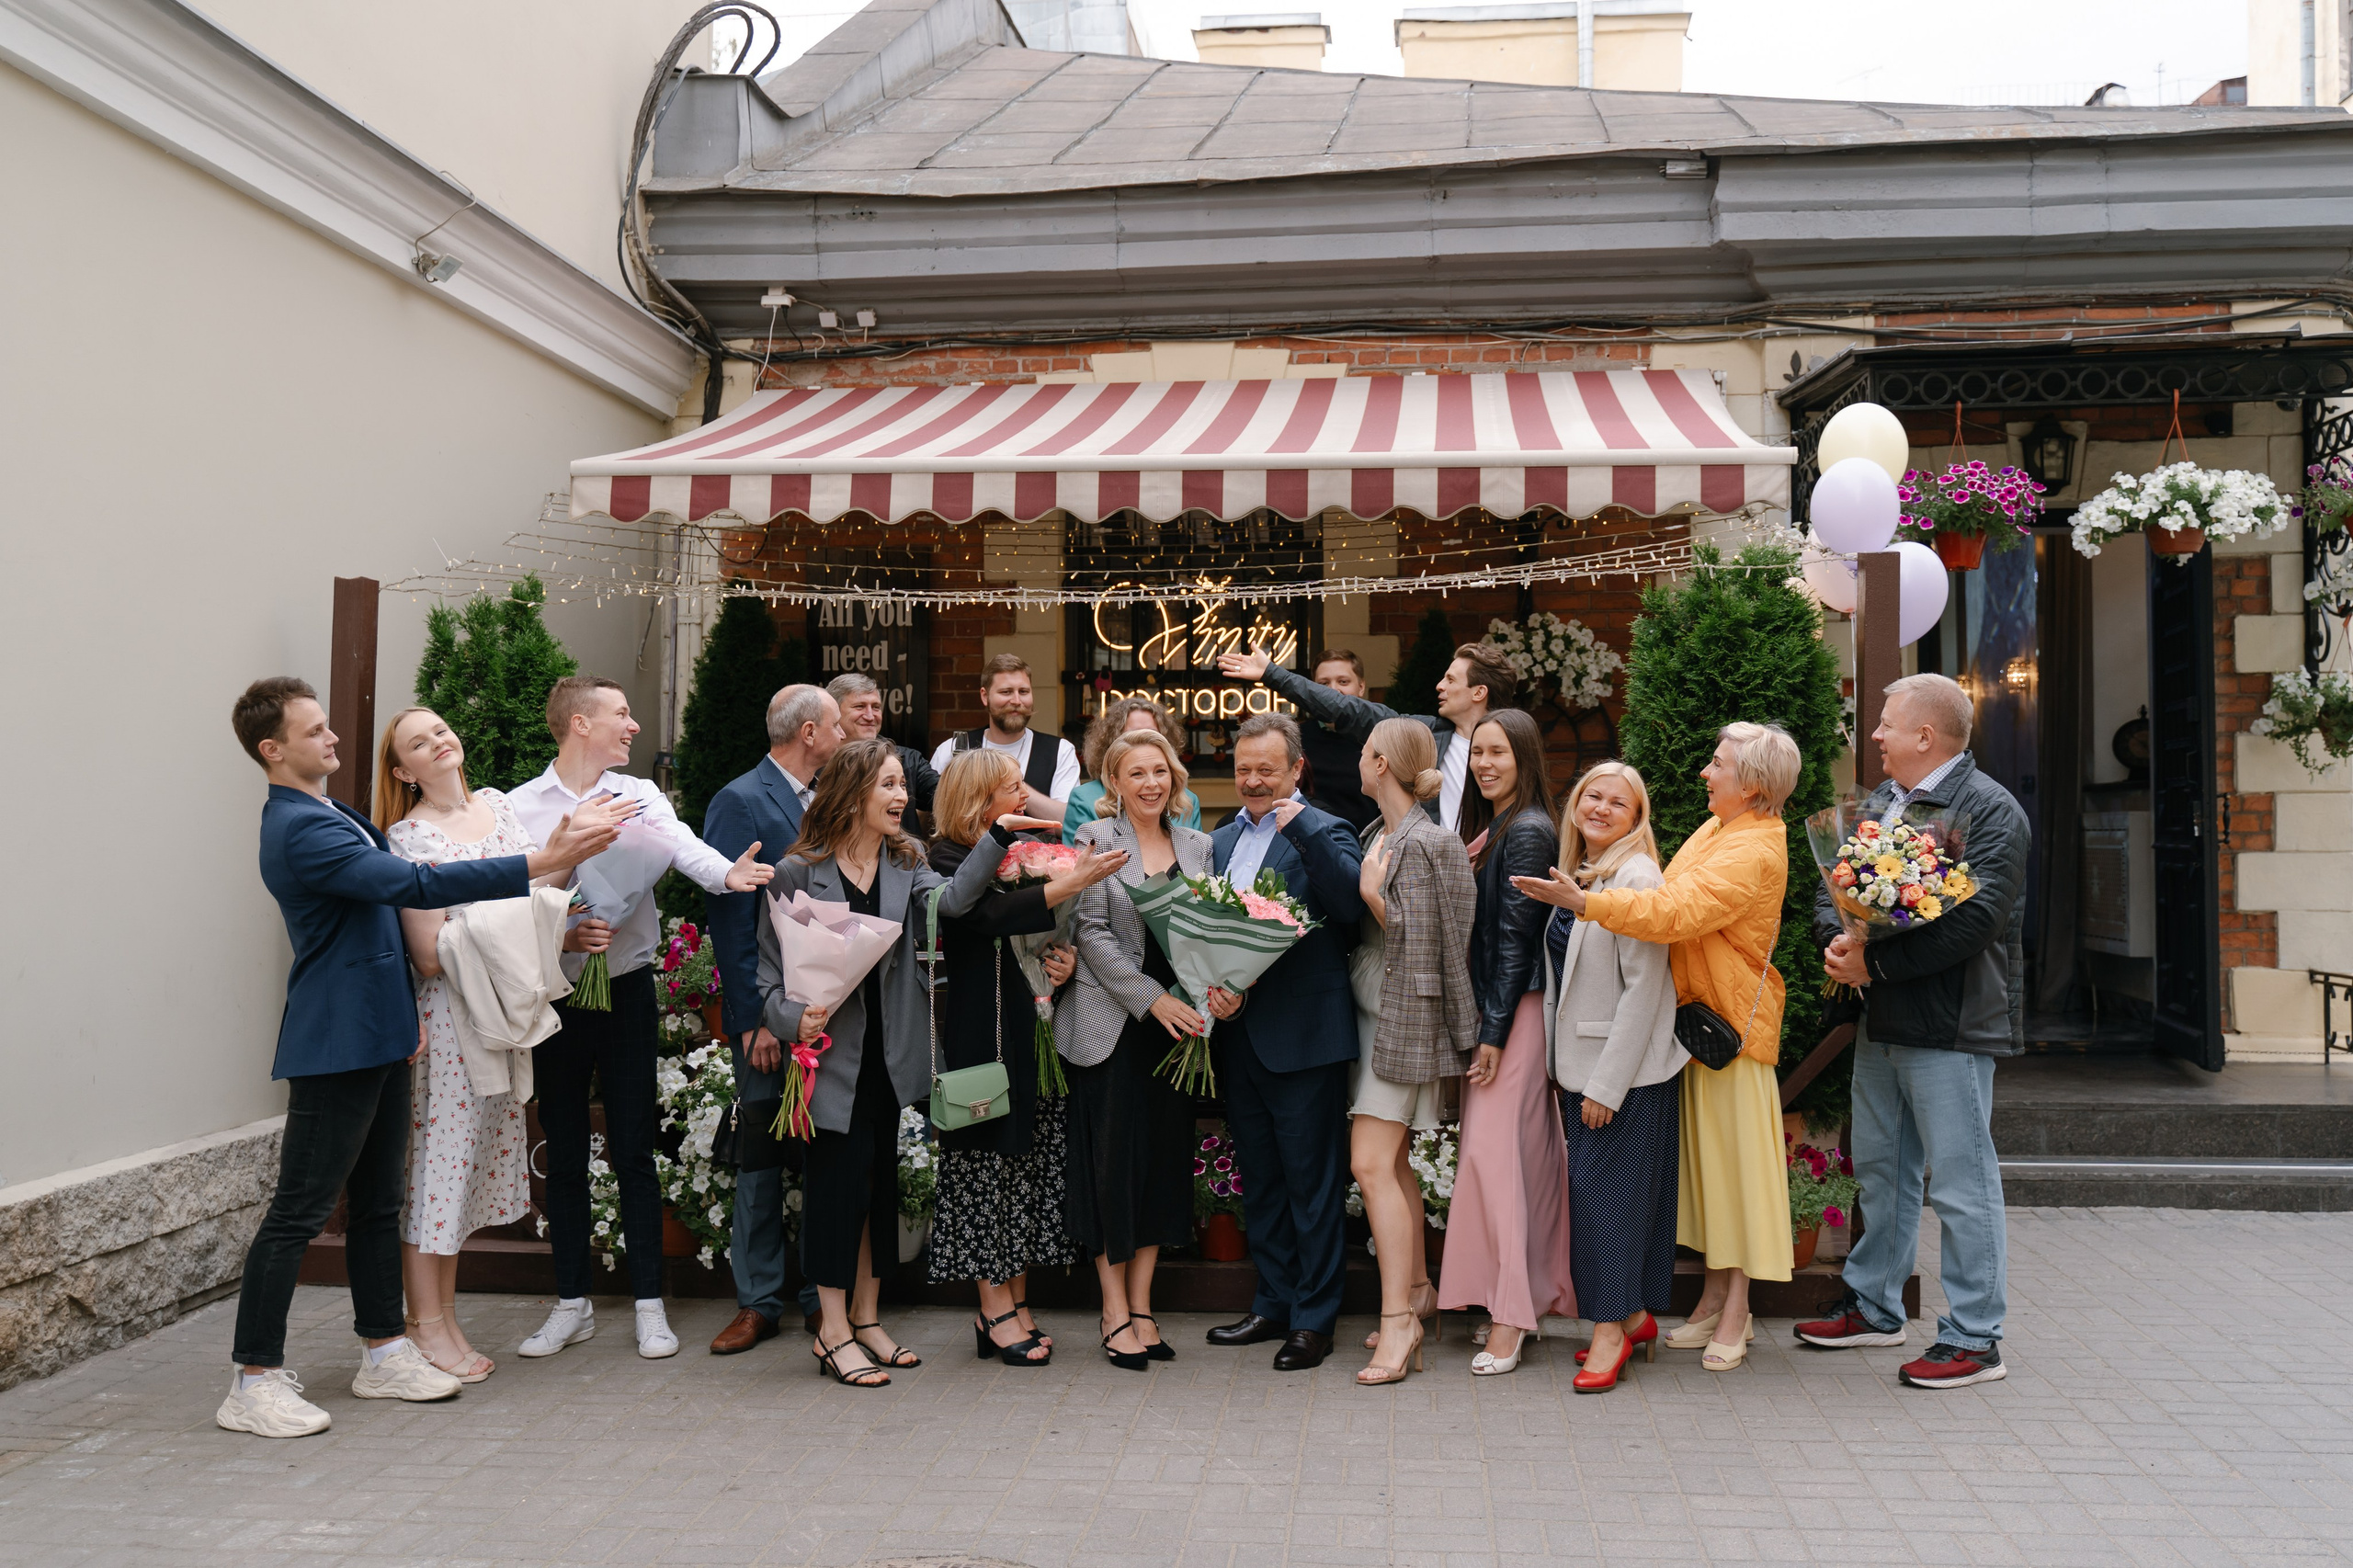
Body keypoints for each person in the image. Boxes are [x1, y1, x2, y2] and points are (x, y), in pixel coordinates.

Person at [220, 678, 627, 1439]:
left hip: (381, 1032)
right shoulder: (302, 828)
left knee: (380, 1205)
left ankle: (384, 1350)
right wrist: (541, 861)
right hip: (334, 1039)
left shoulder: (330, 811)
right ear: (273, 750)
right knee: (298, 1213)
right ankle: (253, 1378)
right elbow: (411, 883)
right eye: (315, 732)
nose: (334, 739)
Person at [759, 739, 1046, 1386]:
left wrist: (996, 837)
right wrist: (789, 1018)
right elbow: (766, 975)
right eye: (888, 786)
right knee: (835, 1191)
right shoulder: (797, 871)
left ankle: (866, 1319)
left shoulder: (907, 860)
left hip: (892, 1056)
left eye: (901, 786)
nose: (901, 798)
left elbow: (953, 903)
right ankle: (831, 1332)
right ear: (853, 793)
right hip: (829, 1058)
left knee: (876, 1190)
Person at [507, 676, 776, 1362]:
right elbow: (509, 898)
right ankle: (572, 1304)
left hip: (626, 988)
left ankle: (650, 1307)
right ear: (577, 723)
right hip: (555, 997)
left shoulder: (641, 795)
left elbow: (683, 847)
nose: (633, 726)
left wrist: (727, 876)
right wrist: (563, 925)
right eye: (621, 715)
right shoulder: (518, 806)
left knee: (633, 1146)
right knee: (563, 1152)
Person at [1796, 674, 2029, 1391]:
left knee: (1961, 1184)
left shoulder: (1991, 811)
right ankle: (1875, 1307)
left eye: (1887, 724)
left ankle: (1975, 1336)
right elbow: (1831, 883)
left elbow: (1973, 921)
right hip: (1884, 1018)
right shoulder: (1883, 802)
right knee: (1881, 1171)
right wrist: (1836, 943)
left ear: (1925, 736)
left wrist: (1874, 967)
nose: (1875, 735)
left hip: (1951, 1025)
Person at [1547, 721, 1799, 1372]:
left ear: (1753, 785)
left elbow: (1674, 913)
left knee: (1738, 1175)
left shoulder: (1754, 848)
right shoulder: (1721, 828)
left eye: (1717, 765)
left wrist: (1589, 904)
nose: (1704, 773)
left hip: (1731, 1035)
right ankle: (1713, 1299)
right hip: (1699, 1026)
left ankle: (1737, 1312)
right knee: (1710, 1173)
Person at [926, 749, 1126, 1364]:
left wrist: (1056, 961)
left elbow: (1030, 937)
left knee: (1021, 1168)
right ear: (977, 798)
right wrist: (1071, 883)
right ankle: (992, 1309)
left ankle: (1015, 1299)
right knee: (986, 1165)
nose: (1025, 794)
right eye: (1012, 787)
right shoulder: (943, 860)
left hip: (1027, 1030)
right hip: (978, 1040)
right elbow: (985, 915)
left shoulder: (1019, 857)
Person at [374, 707, 547, 1382]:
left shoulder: (502, 809)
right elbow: (428, 952)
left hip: (505, 1014)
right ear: (401, 771)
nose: (438, 742)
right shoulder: (408, 839)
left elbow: (541, 894)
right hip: (451, 1023)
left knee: (467, 1173)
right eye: (419, 742)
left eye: (441, 730)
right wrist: (511, 928)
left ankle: (444, 1318)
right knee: (437, 1175)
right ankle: (423, 1326)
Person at [1200, 713, 1367, 1372]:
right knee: (1262, 1182)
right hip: (1239, 1036)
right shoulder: (1218, 842)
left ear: (1297, 769)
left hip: (1304, 1040)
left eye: (1268, 768)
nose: (1254, 780)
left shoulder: (1324, 828)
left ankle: (1314, 1319)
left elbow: (1350, 908)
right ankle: (1271, 1301)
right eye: (1244, 769)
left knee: (1312, 1184)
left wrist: (1296, 823)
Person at [1512, 762, 1683, 1394]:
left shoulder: (1637, 877)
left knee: (1605, 1208)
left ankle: (1610, 1333)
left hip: (1624, 1077)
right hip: (1584, 1069)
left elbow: (1646, 993)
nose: (1603, 808)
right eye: (1594, 796)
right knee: (1598, 1202)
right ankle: (1634, 1318)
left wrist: (1607, 1087)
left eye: (1620, 802)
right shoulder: (1586, 871)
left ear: (1638, 820)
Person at [1060, 728, 1214, 1369]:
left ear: (1173, 778)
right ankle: (1113, 1309)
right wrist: (1151, 998)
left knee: (1161, 1166)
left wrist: (1213, 993)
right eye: (1136, 774)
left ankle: (1144, 1306)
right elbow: (1089, 932)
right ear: (1114, 785)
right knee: (1112, 1168)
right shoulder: (1097, 841)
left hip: (1178, 1029)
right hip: (1116, 1022)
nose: (1150, 783)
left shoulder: (1200, 846)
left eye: (1160, 772)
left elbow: (1214, 929)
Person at [702, 684, 843, 1355]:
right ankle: (757, 1302)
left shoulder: (829, 795)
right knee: (760, 1157)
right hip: (768, 1011)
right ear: (809, 732)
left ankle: (823, 1297)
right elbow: (729, 916)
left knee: (823, 1156)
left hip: (825, 1009)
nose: (845, 735)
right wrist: (752, 1018)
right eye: (837, 725)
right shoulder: (740, 799)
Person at [1436, 710, 1574, 1376]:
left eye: (1499, 752)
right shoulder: (1497, 824)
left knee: (1499, 1165)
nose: (1486, 764)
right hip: (1500, 1013)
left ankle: (1513, 1317)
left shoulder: (1528, 829)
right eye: (1478, 753)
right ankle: (1517, 1298)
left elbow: (1515, 941)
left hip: (1513, 1016)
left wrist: (1491, 1033)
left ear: (1524, 756)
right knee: (1512, 1160)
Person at [1347, 718, 1478, 1387]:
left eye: (1363, 753)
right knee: (1389, 1163)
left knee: (1369, 1164)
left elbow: (1427, 947)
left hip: (1402, 1020)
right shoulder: (1385, 833)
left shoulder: (1425, 842)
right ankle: (1419, 1290)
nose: (1357, 762)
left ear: (1380, 764)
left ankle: (1400, 1322)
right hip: (1376, 1013)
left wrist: (1371, 896)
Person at [1219, 640, 1516, 835]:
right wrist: (1273, 674)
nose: (1439, 686)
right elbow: (1347, 708)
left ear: (1479, 692)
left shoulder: (1515, 747)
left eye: (1450, 680)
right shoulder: (1425, 734)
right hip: (1433, 871)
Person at [1209, 647, 1385, 833]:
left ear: (1361, 686)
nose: (1333, 691)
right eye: (1323, 684)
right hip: (1308, 841)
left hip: (1369, 845)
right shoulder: (1296, 739)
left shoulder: (1379, 739)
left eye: (1343, 681)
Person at [928, 653, 1081, 824]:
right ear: (985, 696)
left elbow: (1068, 824)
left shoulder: (1060, 751)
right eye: (1006, 692)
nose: (1016, 700)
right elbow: (933, 818)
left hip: (1039, 851)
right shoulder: (953, 749)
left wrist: (1011, 785)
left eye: (1023, 691)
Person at [1063, 695, 1202, 844]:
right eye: (1131, 735)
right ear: (1111, 742)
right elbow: (1080, 863)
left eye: (1152, 734)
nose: (1142, 740)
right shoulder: (1084, 799)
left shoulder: (1187, 800)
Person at [826, 671, 938, 817]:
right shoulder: (817, 761)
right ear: (835, 711)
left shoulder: (908, 761)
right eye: (860, 706)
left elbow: (949, 798)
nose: (870, 716)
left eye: (876, 707)